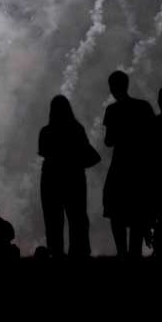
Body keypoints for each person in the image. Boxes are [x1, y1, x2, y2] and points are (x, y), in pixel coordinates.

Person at [38, 95, 99, 257]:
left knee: (52, 220)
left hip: (50, 179)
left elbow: (43, 152)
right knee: (78, 218)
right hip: (74, 177)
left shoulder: (46, 131)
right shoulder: (77, 129)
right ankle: (79, 252)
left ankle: (56, 252)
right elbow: (86, 151)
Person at [102, 71, 155, 257]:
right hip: (140, 168)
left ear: (112, 87)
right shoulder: (144, 107)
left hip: (120, 166)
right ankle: (134, 253)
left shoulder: (112, 110)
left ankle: (121, 253)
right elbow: (152, 137)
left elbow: (108, 141)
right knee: (138, 214)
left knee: (116, 212)